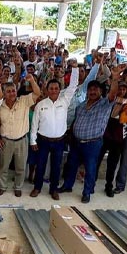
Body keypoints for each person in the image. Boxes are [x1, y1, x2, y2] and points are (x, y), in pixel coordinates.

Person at [59, 67, 120, 203]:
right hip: (77, 142)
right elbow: (76, 120)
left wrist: (115, 78)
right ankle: (67, 186)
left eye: (95, 89)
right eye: (90, 89)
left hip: (93, 143)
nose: (92, 92)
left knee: (90, 168)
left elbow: (113, 94)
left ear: (100, 91)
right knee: (72, 165)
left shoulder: (105, 104)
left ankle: (87, 192)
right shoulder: (81, 105)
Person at [29, 67, 79, 200]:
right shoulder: (41, 104)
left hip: (59, 141)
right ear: (47, 90)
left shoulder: (64, 101)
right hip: (43, 140)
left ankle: (53, 189)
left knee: (56, 166)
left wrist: (74, 68)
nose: (54, 91)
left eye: (56, 88)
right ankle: (37, 187)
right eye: (51, 88)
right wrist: (33, 141)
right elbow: (34, 123)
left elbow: (73, 85)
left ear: (59, 89)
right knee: (41, 165)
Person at [0, 74, 41, 197]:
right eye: (8, 91)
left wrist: (31, 80)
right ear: (4, 94)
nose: (12, 93)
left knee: (20, 167)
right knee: (3, 167)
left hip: (22, 141)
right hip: (6, 141)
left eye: (14, 90)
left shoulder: (24, 101)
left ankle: (18, 187)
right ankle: (2, 186)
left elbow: (37, 93)